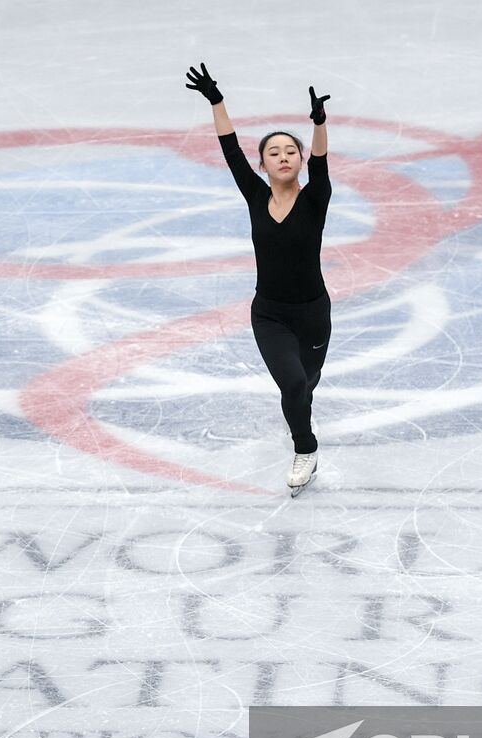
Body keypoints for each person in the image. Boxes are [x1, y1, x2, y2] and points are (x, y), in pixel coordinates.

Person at [185, 62, 332, 495]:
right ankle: (305, 449)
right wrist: (217, 101)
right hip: (269, 313)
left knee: (306, 385)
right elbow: (230, 150)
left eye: (291, 151)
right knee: (292, 384)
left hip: (314, 314)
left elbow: (323, 164)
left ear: (300, 160)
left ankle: (301, 413)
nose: (284, 156)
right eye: (274, 152)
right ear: (264, 163)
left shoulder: (315, 199)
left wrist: (319, 124)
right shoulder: (255, 195)